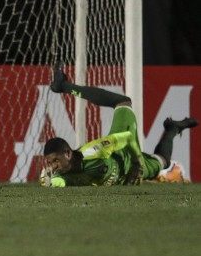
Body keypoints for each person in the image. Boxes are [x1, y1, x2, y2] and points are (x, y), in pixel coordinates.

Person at [41, 66, 197, 187]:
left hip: (127, 158)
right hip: (123, 179)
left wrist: (137, 163)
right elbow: (57, 183)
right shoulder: (61, 175)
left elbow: (128, 137)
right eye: (50, 163)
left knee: (123, 102)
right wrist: (48, 181)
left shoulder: (94, 150)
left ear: (67, 153)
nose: (54, 166)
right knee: (163, 161)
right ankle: (173, 128)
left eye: (56, 160)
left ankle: (64, 86)